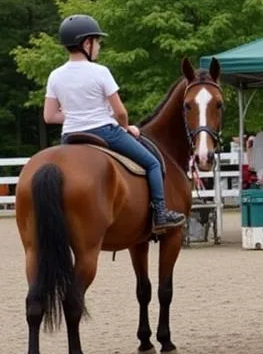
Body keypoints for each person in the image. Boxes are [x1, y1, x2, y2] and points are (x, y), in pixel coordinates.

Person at [43, 15, 185, 232]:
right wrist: (126, 128)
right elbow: (120, 112)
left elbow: (50, 116)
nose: (99, 46)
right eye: (97, 41)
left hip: (70, 136)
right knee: (153, 163)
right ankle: (161, 214)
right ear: (86, 43)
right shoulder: (100, 72)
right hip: (106, 132)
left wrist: (75, 114)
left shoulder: (55, 75)